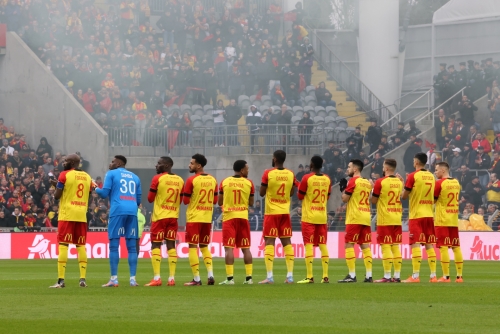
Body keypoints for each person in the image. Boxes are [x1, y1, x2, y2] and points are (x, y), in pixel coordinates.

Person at [96, 155, 142, 287]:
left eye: (112, 161)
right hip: (132, 211)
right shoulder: (135, 177)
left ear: (119, 163)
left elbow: (104, 194)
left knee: (114, 245)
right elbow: (138, 200)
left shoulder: (111, 173)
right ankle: (133, 279)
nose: (110, 163)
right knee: (132, 247)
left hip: (117, 211)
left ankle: (114, 279)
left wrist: (94, 188)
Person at [49, 154, 93, 288]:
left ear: (73, 162)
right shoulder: (87, 176)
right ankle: (82, 279)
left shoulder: (64, 174)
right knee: (81, 246)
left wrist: (56, 187)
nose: (63, 162)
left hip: (67, 214)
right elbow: (89, 196)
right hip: (81, 215)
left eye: (66, 160)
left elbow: (57, 196)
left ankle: (61, 280)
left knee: (63, 245)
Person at [144, 157, 184, 287]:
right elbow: (182, 200)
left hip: (160, 217)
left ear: (166, 165)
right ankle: (171, 279)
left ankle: (157, 278)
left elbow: (150, 199)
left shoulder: (158, 178)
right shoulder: (180, 180)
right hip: (173, 217)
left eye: (159, 164)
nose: (156, 166)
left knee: (156, 245)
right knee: (171, 246)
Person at [259, 150, 297, 284]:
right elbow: (292, 192)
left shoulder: (268, 173)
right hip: (285, 212)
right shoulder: (290, 173)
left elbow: (262, 193)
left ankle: (269, 277)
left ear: (274, 159)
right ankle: (290, 276)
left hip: (271, 212)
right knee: (287, 243)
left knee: (269, 242)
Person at [400, 153, 437, 283]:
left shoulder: (412, 176)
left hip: (416, 215)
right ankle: (433, 276)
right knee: (429, 244)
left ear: (416, 162)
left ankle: (415, 276)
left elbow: (404, 196)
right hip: (429, 214)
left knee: (415, 243)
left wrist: (403, 183)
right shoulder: (432, 176)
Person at [182, 154, 218, 286]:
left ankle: (196, 279)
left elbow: (185, 201)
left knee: (192, 247)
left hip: (194, 217)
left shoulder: (191, 180)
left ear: (199, 166)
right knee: (204, 246)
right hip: (207, 218)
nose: (189, 165)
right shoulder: (213, 179)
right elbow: (214, 200)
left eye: (191, 163)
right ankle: (210, 274)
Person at [218, 160, 255, 285]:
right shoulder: (249, 183)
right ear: (242, 170)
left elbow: (219, 202)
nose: (248, 170)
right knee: (246, 248)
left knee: (229, 249)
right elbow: (251, 203)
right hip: (243, 217)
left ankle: (230, 279)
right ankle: (249, 278)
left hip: (229, 218)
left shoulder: (224, 182)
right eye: (247, 168)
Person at [296, 156, 332, 284]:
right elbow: (327, 196)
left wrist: (298, 184)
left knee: (309, 245)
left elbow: (300, 196)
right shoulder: (327, 179)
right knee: (323, 245)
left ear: (311, 164)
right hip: (322, 216)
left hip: (309, 216)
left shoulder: (307, 178)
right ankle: (325, 276)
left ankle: (310, 276)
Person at [338, 159, 373, 283]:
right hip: (365, 215)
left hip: (354, 216)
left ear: (355, 169)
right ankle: (369, 275)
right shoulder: (367, 182)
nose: (347, 169)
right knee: (365, 245)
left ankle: (352, 275)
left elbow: (345, 199)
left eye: (349, 167)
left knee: (349, 244)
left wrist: (342, 189)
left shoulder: (353, 181)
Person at [370, 159, 403, 283]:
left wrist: (372, 189)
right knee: (395, 247)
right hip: (397, 217)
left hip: (385, 218)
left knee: (386, 247)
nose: (382, 168)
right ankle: (397, 275)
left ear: (387, 168)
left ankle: (387, 276)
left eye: (383, 166)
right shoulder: (399, 182)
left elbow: (373, 200)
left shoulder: (380, 182)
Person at [434, 162, 464, 283]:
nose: (435, 172)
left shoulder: (439, 183)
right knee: (456, 247)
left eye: (436, 170)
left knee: (443, 247)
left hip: (442, 219)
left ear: (442, 170)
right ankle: (459, 276)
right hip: (453, 219)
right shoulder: (456, 182)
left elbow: (433, 200)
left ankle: (446, 276)